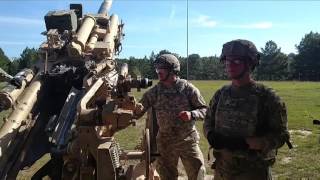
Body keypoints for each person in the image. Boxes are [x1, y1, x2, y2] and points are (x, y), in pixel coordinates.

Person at [203, 39, 291, 180]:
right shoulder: (221, 94)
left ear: (250, 63)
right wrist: (210, 135)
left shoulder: (267, 97)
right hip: (222, 171)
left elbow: (281, 135)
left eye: (236, 61)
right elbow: (207, 122)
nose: (230, 65)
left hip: (253, 173)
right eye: (227, 61)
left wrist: (250, 143)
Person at [135, 53, 207, 180]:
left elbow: (205, 110)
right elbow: (138, 110)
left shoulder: (188, 89)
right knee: (167, 176)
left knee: (197, 174)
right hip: (165, 142)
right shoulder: (155, 92)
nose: (158, 72)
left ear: (173, 70)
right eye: (157, 69)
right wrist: (132, 107)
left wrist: (192, 114)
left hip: (187, 140)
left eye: (161, 69)